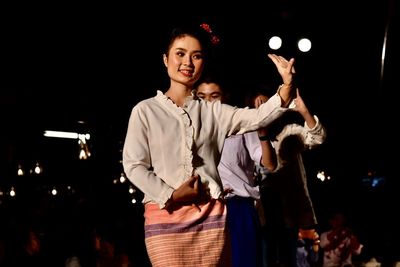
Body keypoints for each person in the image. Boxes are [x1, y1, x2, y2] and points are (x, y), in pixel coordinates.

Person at [122, 21, 296, 267]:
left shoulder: (214, 112)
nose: (188, 63)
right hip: (164, 217)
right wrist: (170, 194)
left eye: (197, 56)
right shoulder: (145, 111)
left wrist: (287, 87)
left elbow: (258, 117)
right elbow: (134, 165)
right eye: (180, 54)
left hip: (210, 217)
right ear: (165, 59)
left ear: (203, 64)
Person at [195, 76, 277, 267]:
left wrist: (263, 133)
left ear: (225, 97)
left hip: (238, 207)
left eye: (214, 96)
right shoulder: (189, 128)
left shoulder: (241, 123)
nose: (208, 102)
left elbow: (270, 164)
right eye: (201, 96)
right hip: (203, 208)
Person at [256, 87, 327, 267]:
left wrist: (304, 111)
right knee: (265, 260)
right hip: (261, 214)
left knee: (289, 259)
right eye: (258, 107)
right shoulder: (247, 137)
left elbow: (317, 138)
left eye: (267, 105)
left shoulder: (289, 132)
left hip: (288, 212)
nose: (264, 111)